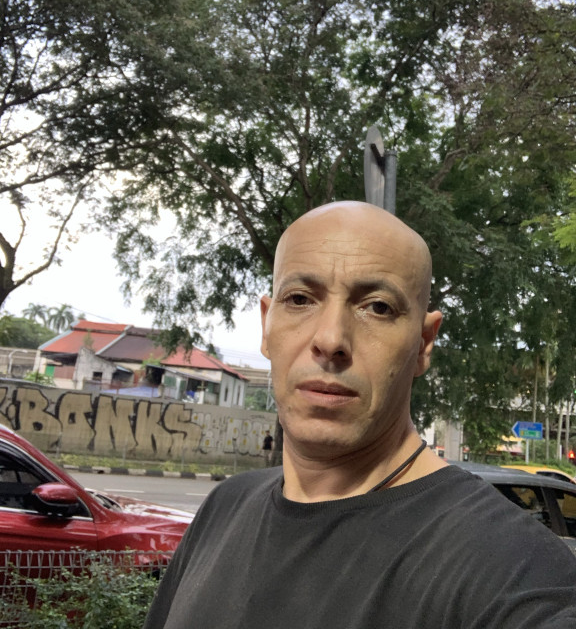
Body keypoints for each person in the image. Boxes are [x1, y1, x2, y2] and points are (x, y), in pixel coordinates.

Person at [143, 201, 576, 629]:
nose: (331, 340)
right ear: (266, 325)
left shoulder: (511, 568)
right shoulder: (225, 507)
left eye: (378, 307)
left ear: (423, 343)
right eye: (299, 299)